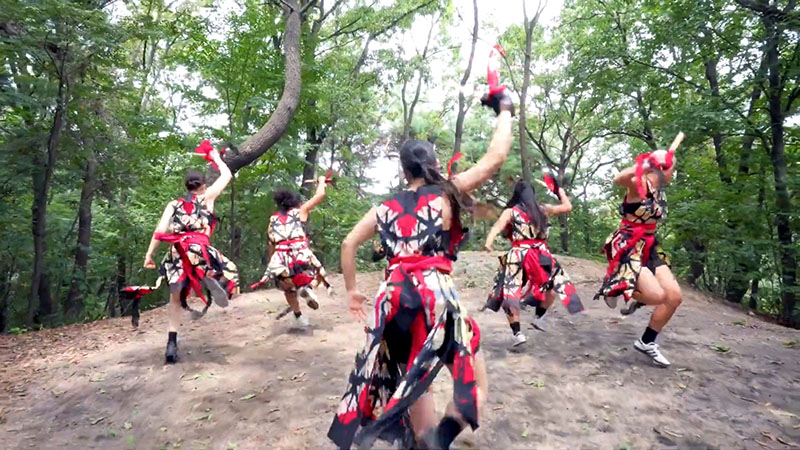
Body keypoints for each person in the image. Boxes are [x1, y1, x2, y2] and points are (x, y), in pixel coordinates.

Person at [328, 92, 513, 450]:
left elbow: (348, 244)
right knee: (473, 387)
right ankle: (440, 438)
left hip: (394, 299)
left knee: (413, 379)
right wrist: (504, 108)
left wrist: (352, 292)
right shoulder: (445, 193)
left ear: (404, 171)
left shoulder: (384, 207)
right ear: (435, 164)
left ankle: (424, 440)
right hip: (434, 296)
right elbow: (496, 158)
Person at [142, 147, 239, 363]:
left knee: (175, 297)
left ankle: (171, 343)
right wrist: (215, 157)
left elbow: (160, 230)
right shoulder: (207, 197)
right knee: (228, 270)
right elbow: (227, 175)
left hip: (178, 251)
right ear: (203, 185)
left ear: (186, 186)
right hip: (200, 248)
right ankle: (215, 281)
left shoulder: (174, 204)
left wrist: (149, 255)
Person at [594, 149, 681, 367]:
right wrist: (646, 163)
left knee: (673, 297)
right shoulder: (639, 184)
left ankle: (646, 342)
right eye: (673, 169)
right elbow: (619, 179)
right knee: (656, 296)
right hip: (628, 245)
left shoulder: (659, 190)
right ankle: (615, 286)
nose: (674, 173)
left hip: (649, 245)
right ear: (663, 169)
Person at [483, 180, 583, 346]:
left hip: (519, 255)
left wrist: (489, 242)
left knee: (510, 291)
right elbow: (567, 207)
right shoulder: (543, 209)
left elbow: (497, 227)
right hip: (541, 254)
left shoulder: (511, 212)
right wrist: (560, 191)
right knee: (552, 285)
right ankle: (539, 316)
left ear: (517, 194)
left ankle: (518, 333)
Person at [254, 177, 329, 327]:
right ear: (296, 203)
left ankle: (298, 316)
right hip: (299, 253)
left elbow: (271, 243)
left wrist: (273, 264)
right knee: (317, 273)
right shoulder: (300, 211)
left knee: (288, 289)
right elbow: (320, 195)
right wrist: (321, 182)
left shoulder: (273, 219)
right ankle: (307, 288)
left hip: (281, 256)